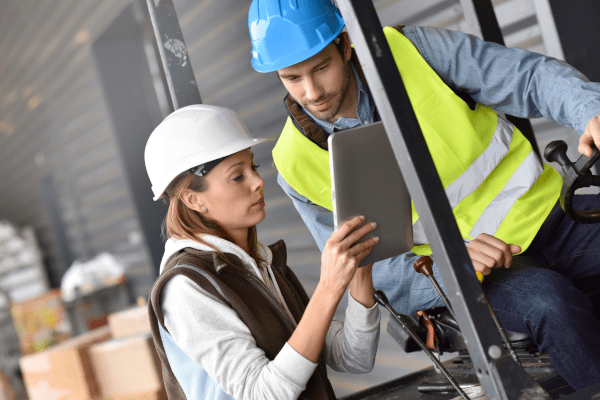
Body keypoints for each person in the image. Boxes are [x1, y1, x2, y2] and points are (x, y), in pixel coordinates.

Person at [247, 0, 600, 390]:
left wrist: (590, 111)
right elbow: (373, 270)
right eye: (291, 78)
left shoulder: (413, 52)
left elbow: (527, 77)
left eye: (320, 68)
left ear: (345, 45)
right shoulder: (294, 164)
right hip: (475, 277)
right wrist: (450, 264)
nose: (311, 92)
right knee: (551, 305)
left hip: (547, 216)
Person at [144, 104, 382, 400]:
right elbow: (262, 394)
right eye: (237, 176)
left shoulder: (259, 264)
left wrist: (360, 273)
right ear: (194, 199)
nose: (258, 181)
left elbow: (353, 357)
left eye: (252, 167)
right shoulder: (186, 287)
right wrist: (329, 285)